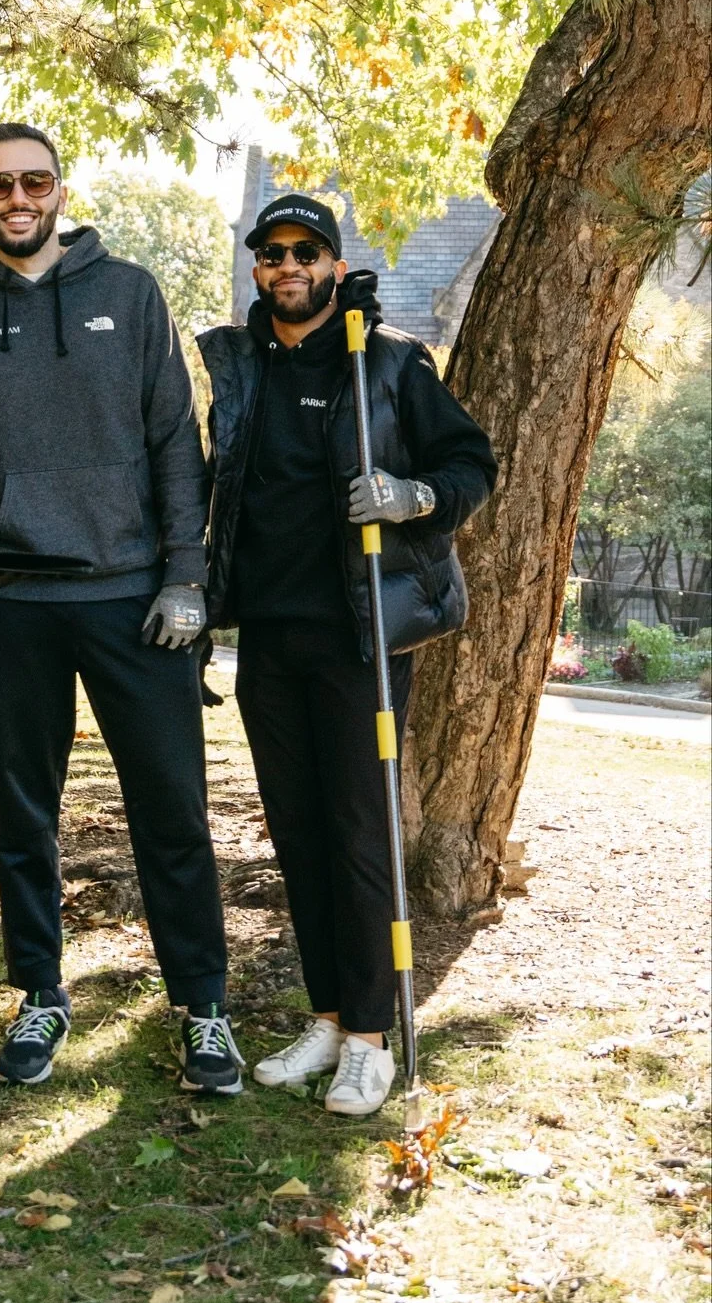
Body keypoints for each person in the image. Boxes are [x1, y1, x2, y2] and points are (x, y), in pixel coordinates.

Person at [0, 122, 240, 1094]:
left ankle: (202, 1006)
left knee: (171, 810)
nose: (17, 196)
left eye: (33, 179)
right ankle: (40, 993)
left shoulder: (129, 294)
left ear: (59, 188)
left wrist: (186, 574)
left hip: (135, 599)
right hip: (11, 598)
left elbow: (176, 440)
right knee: (24, 816)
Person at [199, 194, 497, 1117]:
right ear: (258, 268)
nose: (287, 266)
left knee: (362, 836)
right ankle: (327, 1015)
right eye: (271, 253)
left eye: (305, 252)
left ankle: (370, 1036)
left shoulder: (391, 359)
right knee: (297, 834)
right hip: (271, 640)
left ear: (332, 265)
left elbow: (471, 464)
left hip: (360, 636)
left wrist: (411, 495)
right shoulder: (242, 365)